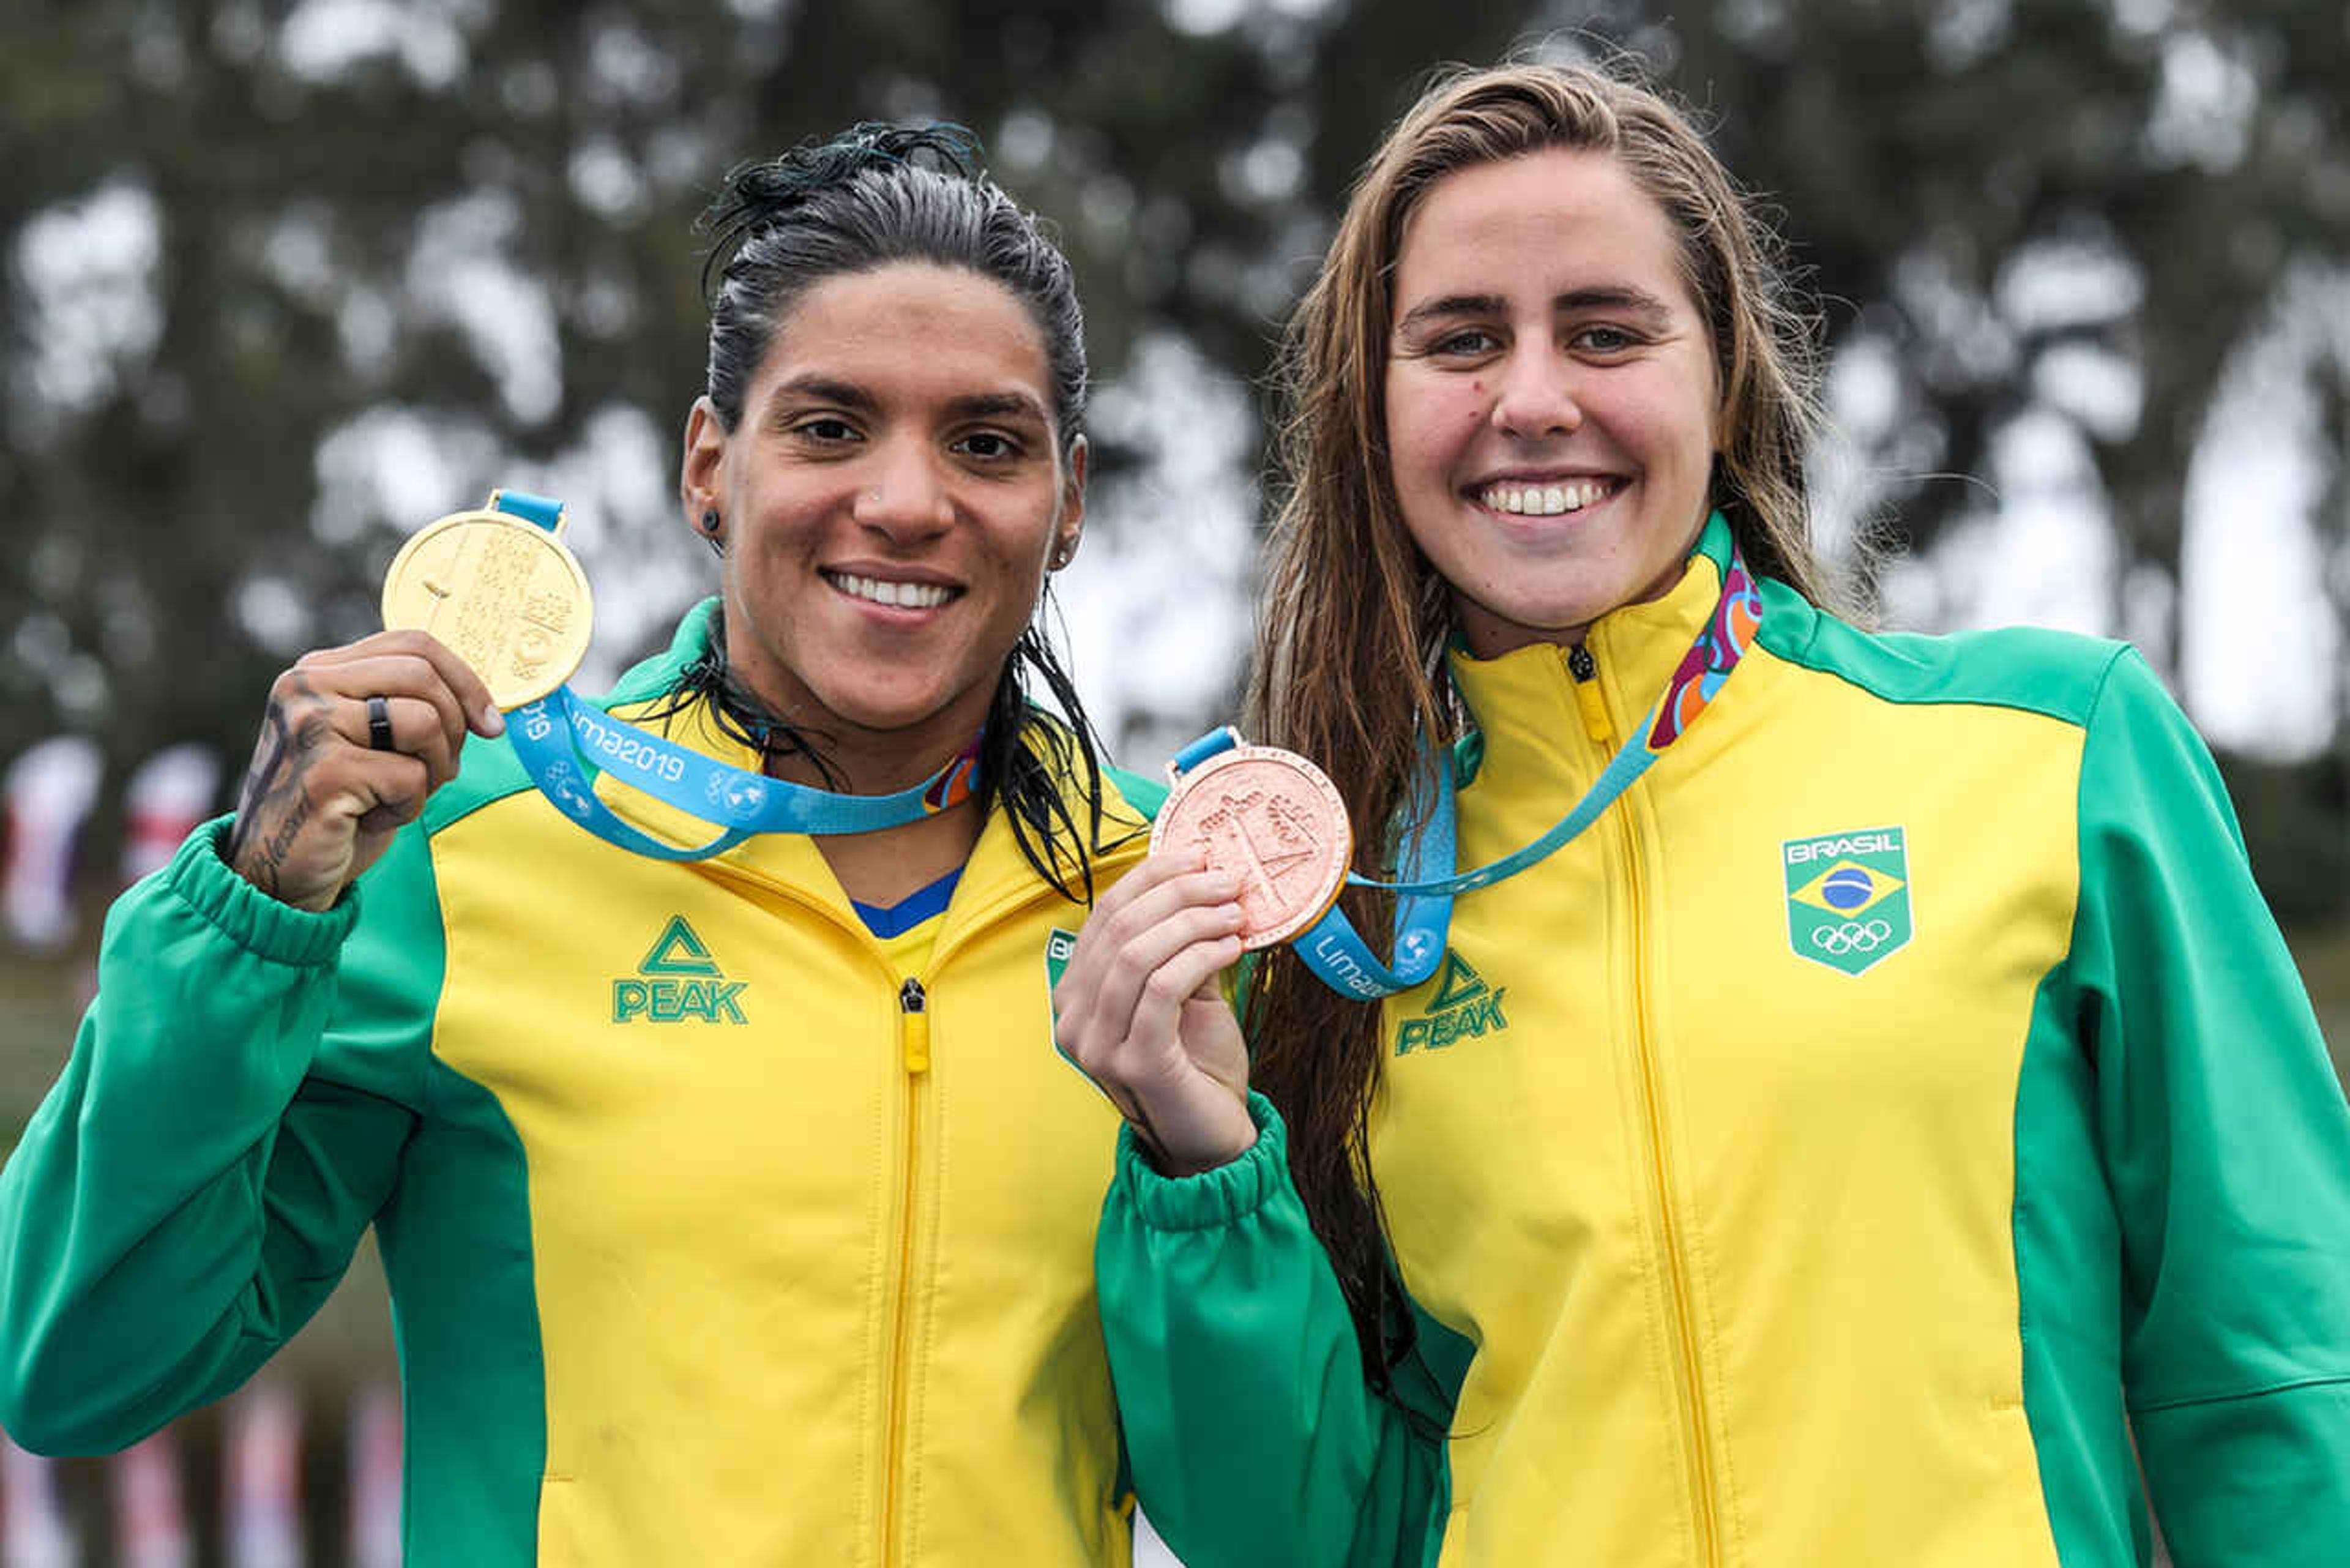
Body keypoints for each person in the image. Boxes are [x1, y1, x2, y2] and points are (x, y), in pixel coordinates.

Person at [1055, 61, 2350, 1567]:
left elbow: (2271, 1370)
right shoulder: (1327, 927)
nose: (1531, 401)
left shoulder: (2051, 752)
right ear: (1374, 408)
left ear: (1724, 375)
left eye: (1605, 332)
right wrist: (1206, 1165)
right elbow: (1316, 1535)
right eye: (1460, 340)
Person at [0, 124, 1165, 1564]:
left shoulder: (1176, 907)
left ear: (1069, 507)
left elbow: (1299, 1516)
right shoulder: (463, 853)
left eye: (987, 443)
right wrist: (248, 910)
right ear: (707, 470)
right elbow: (74, 1367)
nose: (910, 502)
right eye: (828, 426)